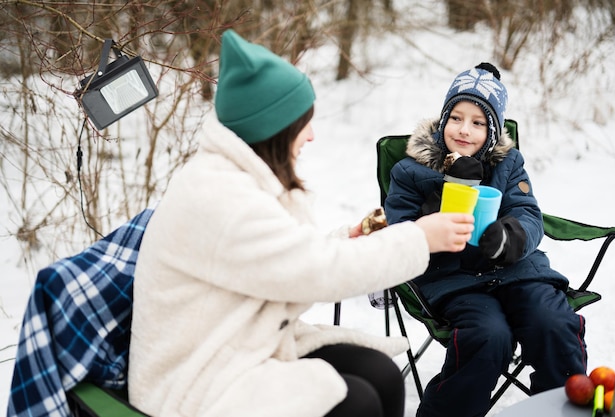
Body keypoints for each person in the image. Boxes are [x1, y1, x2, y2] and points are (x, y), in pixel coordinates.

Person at [128, 30, 474, 417]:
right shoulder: (220, 197)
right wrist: (419, 239)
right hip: (196, 380)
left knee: (381, 374)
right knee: (355, 402)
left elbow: (287, 263)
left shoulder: (241, 177)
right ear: (272, 129)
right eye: (303, 123)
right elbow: (316, 273)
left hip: (241, 346)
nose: (312, 136)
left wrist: (347, 240)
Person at [384, 63, 588, 417]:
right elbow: (400, 232)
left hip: (517, 272)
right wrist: (441, 205)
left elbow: (527, 212)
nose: (465, 130)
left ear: (492, 132)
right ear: (443, 119)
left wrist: (513, 237)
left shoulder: (508, 164)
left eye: (478, 123)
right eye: (456, 118)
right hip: (455, 282)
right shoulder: (410, 171)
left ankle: (560, 410)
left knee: (553, 323)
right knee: (488, 335)